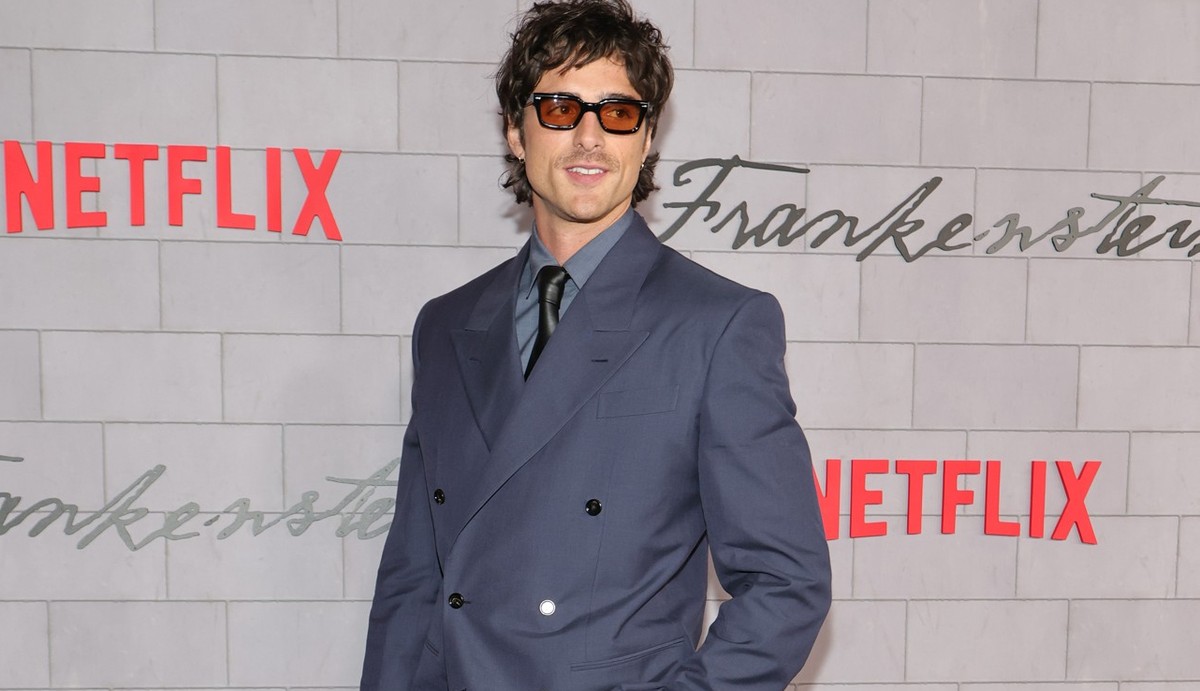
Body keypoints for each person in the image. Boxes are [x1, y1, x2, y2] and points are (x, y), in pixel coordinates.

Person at [361, 1, 831, 689]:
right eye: (560, 108)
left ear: (644, 141)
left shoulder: (718, 324)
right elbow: (413, 575)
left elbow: (787, 581)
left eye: (617, 113)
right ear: (517, 132)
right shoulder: (446, 324)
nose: (589, 138)